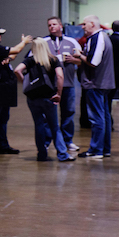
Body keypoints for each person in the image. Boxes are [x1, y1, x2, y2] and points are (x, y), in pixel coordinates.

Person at [15, 39, 73, 162]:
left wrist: (25, 84)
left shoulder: (30, 60)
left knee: (39, 125)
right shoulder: (53, 60)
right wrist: (58, 94)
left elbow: (17, 70)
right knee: (54, 126)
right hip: (49, 97)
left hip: (33, 97)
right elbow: (60, 76)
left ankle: (41, 154)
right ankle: (62, 154)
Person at [65, 15, 114, 158]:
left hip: (96, 83)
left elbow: (93, 62)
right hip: (102, 83)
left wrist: (79, 55)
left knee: (97, 118)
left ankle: (96, 150)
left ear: (92, 24)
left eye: (84, 24)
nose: (82, 27)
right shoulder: (101, 37)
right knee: (104, 117)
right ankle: (104, 149)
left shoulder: (97, 38)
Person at [0, 24, 33, 157]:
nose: (1, 36)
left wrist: (8, 58)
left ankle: (3, 145)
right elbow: (16, 50)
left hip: (3, 87)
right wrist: (24, 42)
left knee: (3, 118)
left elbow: (13, 55)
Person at [42, 17, 82, 151]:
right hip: (50, 86)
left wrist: (73, 60)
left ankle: (67, 141)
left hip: (68, 84)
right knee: (48, 115)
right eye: (49, 25)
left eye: (54, 24)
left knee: (68, 113)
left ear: (60, 26)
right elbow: (34, 59)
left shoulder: (72, 42)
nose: (51, 27)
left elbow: (81, 60)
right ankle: (47, 141)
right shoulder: (44, 42)